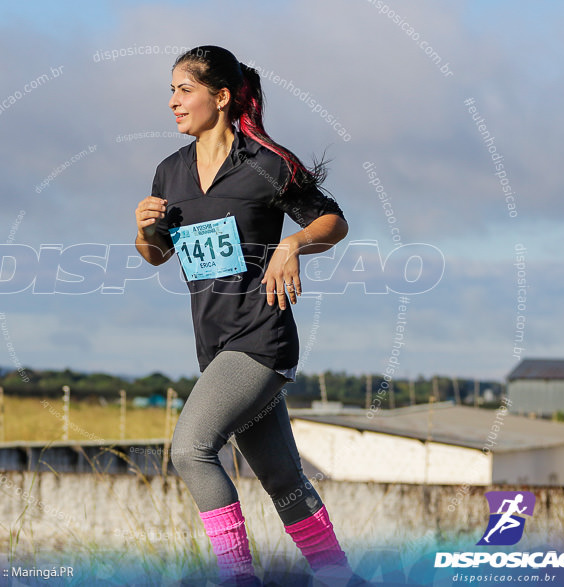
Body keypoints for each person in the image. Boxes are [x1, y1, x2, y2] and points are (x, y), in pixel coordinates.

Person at [133, 46, 352, 586]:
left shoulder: (266, 165)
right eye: (172, 90)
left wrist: (293, 244)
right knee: (283, 480)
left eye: (184, 89)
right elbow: (158, 254)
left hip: (260, 338)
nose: (172, 102)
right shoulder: (170, 172)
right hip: (214, 345)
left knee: (190, 450)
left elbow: (333, 221)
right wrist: (142, 231)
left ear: (222, 96)